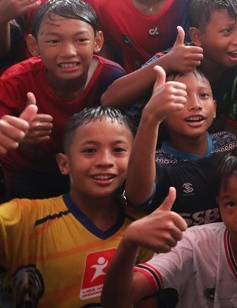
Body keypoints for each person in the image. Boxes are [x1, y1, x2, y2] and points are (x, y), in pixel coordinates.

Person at [101, 142, 237, 307]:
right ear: (218, 202)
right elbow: (117, 302)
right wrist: (129, 244)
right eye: (230, 203)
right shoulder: (193, 244)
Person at [0, 106, 143, 307]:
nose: (105, 161)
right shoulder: (26, 219)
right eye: (89, 150)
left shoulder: (141, 229)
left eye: (118, 150)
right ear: (64, 164)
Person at [0, 0, 124, 199]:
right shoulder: (14, 82)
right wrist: (21, 138)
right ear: (33, 46)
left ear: (98, 42)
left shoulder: (111, 77)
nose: (68, 52)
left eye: (80, 40)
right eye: (53, 41)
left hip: (87, 168)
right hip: (28, 170)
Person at [102, 0, 237, 139]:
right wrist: (167, 63)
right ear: (196, 36)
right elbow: (108, 99)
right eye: (227, 31)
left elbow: (233, 133)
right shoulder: (173, 59)